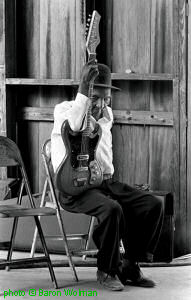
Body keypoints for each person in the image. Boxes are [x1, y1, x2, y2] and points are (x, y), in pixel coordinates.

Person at [51, 61, 164, 291]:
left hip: (103, 182)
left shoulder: (106, 114)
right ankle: (106, 270)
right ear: (84, 94)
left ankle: (130, 265)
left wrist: (97, 129)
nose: (101, 104)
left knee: (153, 204)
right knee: (112, 209)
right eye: (95, 98)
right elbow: (73, 124)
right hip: (74, 187)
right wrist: (85, 97)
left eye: (105, 99)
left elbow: (103, 160)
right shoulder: (63, 110)